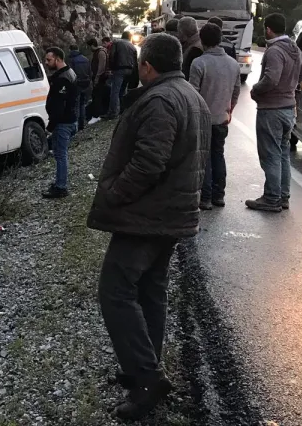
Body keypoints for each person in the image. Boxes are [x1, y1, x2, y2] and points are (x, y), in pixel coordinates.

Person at [87, 34, 211, 420]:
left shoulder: (160, 100)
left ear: (147, 66)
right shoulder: (191, 95)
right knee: (151, 291)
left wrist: (114, 193)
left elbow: (149, 162)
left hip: (148, 216)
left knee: (115, 291)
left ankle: (146, 378)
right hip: (171, 214)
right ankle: (145, 368)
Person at [247, 13, 302, 212]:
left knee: (270, 155)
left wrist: (255, 90)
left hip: (271, 110)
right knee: (283, 154)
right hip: (289, 108)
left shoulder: (274, 51)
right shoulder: (295, 49)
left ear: (269, 29)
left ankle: (272, 198)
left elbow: (271, 79)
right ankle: (283, 196)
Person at [189, 23, 241, 209]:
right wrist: (229, 110)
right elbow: (236, 91)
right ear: (220, 40)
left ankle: (205, 197)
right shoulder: (233, 64)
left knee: (204, 158)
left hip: (203, 120)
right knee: (218, 155)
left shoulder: (199, 63)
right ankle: (219, 195)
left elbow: (193, 93)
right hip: (222, 118)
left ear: (202, 40)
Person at [43, 47, 79, 199]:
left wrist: (50, 127)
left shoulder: (62, 79)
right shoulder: (69, 73)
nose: (46, 63)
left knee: (60, 155)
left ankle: (61, 187)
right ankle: (60, 183)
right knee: (60, 154)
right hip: (69, 119)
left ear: (58, 59)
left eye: (49, 60)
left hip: (63, 122)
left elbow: (60, 106)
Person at [107, 31, 139, 119]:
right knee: (122, 91)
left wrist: (111, 68)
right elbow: (135, 61)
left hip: (119, 69)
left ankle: (113, 113)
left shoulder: (117, 43)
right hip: (129, 70)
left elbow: (111, 55)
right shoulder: (132, 46)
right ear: (129, 37)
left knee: (115, 92)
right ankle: (122, 110)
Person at [68, 45, 93, 130]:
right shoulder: (86, 59)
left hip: (77, 85)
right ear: (78, 49)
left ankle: (76, 126)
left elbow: (70, 74)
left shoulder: (72, 60)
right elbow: (90, 72)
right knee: (82, 104)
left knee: (76, 106)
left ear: (70, 50)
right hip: (86, 84)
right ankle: (82, 124)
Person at [88, 37, 109, 122]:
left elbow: (101, 67)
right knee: (97, 95)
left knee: (97, 95)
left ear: (93, 45)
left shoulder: (100, 52)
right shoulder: (99, 52)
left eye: (90, 46)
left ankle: (96, 115)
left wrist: (97, 77)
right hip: (99, 77)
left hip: (100, 78)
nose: (89, 48)